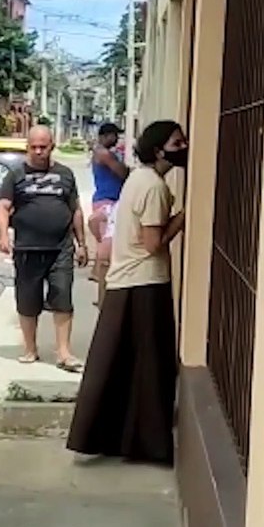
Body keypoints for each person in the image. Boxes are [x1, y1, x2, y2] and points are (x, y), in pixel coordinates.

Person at [67, 120, 188, 466]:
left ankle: (116, 438)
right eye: (177, 142)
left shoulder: (138, 178)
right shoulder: (153, 187)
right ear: (158, 149)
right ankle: (148, 444)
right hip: (144, 283)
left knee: (122, 365)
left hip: (127, 281)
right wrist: (182, 218)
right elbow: (152, 244)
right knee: (150, 367)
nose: (184, 147)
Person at [0, 125, 89, 369]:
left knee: (63, 298)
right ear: (27, 147)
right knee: (27, 302)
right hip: (27, 249)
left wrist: (82, 244)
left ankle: (64, 353)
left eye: (43, 147)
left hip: (61, 249)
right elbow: (3, 207)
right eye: (34, 147)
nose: (38, 152)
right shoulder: (15, 175)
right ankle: (30, 349)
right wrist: (3, 236)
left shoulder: (66, 174)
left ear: (52, 146)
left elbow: (75, 210)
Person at [88, 123, 130, 307]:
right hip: (107, 203)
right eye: (114, 136)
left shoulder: (102, 153)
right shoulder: (104, 154)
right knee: (106, 251)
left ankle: (100, 286)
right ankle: (102, 295)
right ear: (105, 136)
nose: (117, 139)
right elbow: (122, 172)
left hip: (107, 201)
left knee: (106, 249)